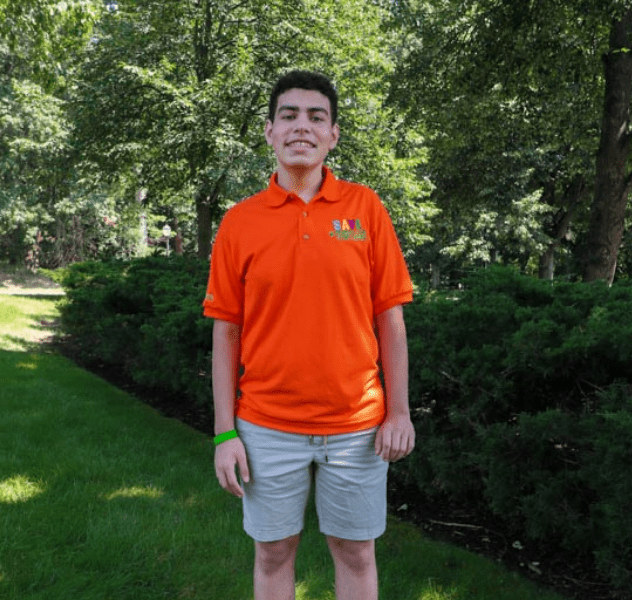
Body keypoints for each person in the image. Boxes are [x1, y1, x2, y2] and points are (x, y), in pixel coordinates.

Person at [202, 70, 415, 600]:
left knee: (356, 551)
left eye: (316, 116)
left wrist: (399, 411)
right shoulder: (239, 223)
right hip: (266, 427)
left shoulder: (366, 210)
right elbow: (226, 333)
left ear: (333, 135)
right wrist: (225, 433)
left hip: (357, 428)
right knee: (273, 553)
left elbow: (390, 318)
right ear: (270, 132)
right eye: (289, 115)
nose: (303, 126)